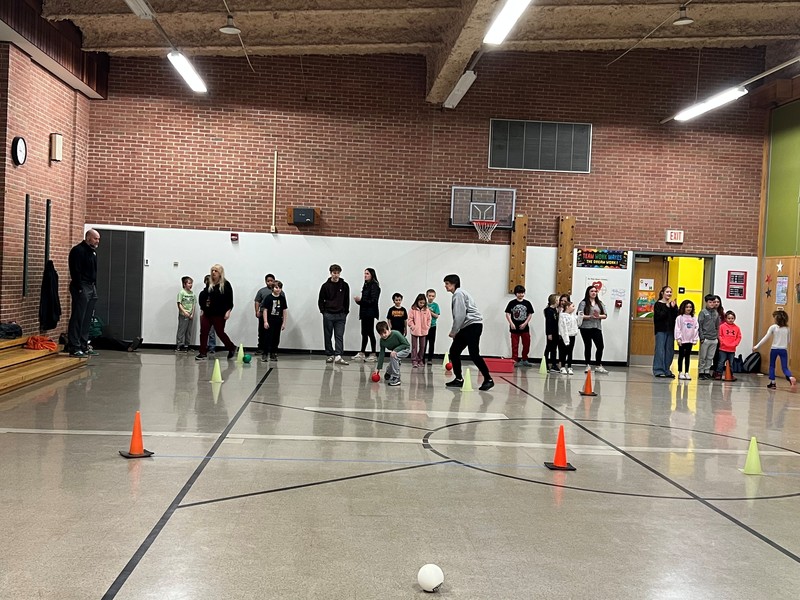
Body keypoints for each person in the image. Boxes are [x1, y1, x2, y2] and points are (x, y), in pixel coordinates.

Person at [443, 274, 493, 391]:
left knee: (474, 353)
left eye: (447, 284)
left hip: (473, 326)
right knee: (454, 351)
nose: (445, 286)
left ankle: (488, 379)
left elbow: (460, 315)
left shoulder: (458, 294)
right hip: (467, 326)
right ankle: (459, 379)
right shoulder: (460, 293)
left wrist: (454, 331)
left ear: (454, 284)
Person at [67, 229, 100, 357]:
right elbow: (75, 270)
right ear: (88, 238)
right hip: (81, 286)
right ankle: (74, 347)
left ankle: (83, 345)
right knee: (78, 317)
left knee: (87, 318)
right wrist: (79, 287)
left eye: (98, 239)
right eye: (95, 238)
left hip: (91, 287)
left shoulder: (93, 252)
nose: (97, 241)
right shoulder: (78, 250)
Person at [195, 264, 236, 360]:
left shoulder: (226, 284)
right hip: (207, 312)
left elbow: (229, 300)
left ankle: (231, 347)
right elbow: (204, 296)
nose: (213, 272)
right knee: (204, 332)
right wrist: (202, 308)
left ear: (220, 273)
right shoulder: (210, 283)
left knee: (220, 332)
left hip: (219, 313)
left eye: (216, 271)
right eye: (212, 270)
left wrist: (228, 311)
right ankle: (202, 353)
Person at [753, 310, 797, 390]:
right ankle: (790, 377)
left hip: (774, 349)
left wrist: (757, 346)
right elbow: (789, 341)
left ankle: (772, 383)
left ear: (776, 319)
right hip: (783, 350)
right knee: (785, 367)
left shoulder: (773, 327)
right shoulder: (787, 329)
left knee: (772, 366)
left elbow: (766, 338)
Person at [318, 264, 350, 365]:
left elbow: (346, 299)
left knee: (339, 335)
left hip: (341, 314)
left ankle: (338, 355)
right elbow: (320, 300)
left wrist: (345, 312)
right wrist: (323, 311)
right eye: (334, 273)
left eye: (337, 273)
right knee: (328, 335)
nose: (336, 275)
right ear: (331, 273)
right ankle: (329, 354)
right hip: (329, 314)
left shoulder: (344, 285)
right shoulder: (325, 286)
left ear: (340, 273)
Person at [577, 285, 608, 373]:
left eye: (595, 291)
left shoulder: (600, 303)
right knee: (588, 346)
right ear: (588, 292)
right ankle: (587, 365)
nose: (594, 293)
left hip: (596, 327)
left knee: (600, 346)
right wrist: (589, 316)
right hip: (585, 327)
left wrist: (598, 316)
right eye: (592, 291)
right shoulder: (583, 303)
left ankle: (598, 365)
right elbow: (580, 315)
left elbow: (605, 315)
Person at [353, 268, 381, 362]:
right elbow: (365, 301)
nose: (365, 275)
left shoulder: (374, 286)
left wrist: (361, 301)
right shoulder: (366, 285)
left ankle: (373, 353)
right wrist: (359, 302)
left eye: (367, 274)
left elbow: (373, 301)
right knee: (364, 333)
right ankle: (362, 352)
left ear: (372, 275)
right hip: (364, 312)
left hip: (370, 312)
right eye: (364, 273)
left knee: (370, 332)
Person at [652, 285, 679, 378]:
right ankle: (658, 370)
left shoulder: (673, 304)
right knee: (660, 350)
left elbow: (676, 317)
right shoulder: (658, 304)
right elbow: (658, 317)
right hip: (661, 330)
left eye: (670, 292)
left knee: (669, 351)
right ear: (662, 293)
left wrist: (673, 308)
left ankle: (667, 369)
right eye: (667, 292)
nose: (669, 294)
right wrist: (667, 308)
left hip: (670, 330)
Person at [374, 321, 411, 386]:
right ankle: (389, 372)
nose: (383, 335)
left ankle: (396, 377)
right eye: (381, 334)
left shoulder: (396, 333)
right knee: (393, 357)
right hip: (395, 351)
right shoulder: (382, 341)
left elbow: (406, 344)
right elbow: (382, 354)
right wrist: (378, 368)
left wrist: (396, 350)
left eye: (385, 332)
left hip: (405, 349)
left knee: (393, 356)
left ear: (388, 329)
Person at [504, 285, 534, 367]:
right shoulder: (512, 303)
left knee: (526, 344)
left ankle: (525, 359)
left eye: (522, 293)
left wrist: (525, 323)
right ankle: (514, 359)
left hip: (524, 328)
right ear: (516, 294)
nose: (521, 295)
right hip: (514, 328)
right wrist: (511, 323)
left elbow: (530, 314)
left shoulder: (527, 303)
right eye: (519, 293)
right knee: (514, 345)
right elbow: (507, 313)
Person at [261, 280, 288, 361]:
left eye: (280, 288)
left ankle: (273, 353)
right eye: (276, 287)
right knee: (267, 337)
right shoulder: (268, 298)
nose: (278, 289)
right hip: (270, 320)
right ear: (272, 288)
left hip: (278, 321)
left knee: (276, 338)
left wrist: (284, 323)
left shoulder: (282, 298)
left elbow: (284, 310)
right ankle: (265, 353)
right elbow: (265, 310)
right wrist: (265, 321)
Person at [674, 299, 699, 380]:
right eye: (687, 307)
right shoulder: (679, 318)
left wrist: (695, 339)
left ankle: (687, 372)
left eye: (690, 307)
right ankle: (680, 372)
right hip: (682, 340)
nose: (689, 309)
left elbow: (696, 328)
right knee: (681, 356)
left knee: (688, 356)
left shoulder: (694, 318)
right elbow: (677, 328)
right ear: (683, 308)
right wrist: (678, 339)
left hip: (690, 340)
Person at [697, 294, 720, 380]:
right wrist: (702, 337)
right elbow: (699, 325)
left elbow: (718, 326)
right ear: (706, 302)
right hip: (705, 338)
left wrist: (717, 337)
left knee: (710, 357)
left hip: (714, 339)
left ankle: (707, 371)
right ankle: (701, 372)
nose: (712, 304)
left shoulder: (716, 313)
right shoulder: (703, 312)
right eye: (710, 302)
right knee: (703, 356)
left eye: (713, 302)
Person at [254, 274, 276, 359]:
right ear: (266, 281)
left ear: (274, 281)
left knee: (273, 333)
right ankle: (261, 348)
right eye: (268, 281)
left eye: (271, 280)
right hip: (263, 313)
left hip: (274, 314)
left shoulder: (278, 291)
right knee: (262, 332)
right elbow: (257, 301)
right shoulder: (262, 291)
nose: (270, 282)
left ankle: (272, 350)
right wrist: (257, 311)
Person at [715, 310, 741, 380]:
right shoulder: (722, 326)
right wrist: (723, 343)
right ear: (726, 318)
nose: (730, 320)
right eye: (729, 318)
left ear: (734, 318)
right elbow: (720, 335)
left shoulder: (737, 328)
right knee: (721, 362)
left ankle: (730, 375)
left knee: (731, 363)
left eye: (732, 318)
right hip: (723, 349)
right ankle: (718, 374)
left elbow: (739, 337)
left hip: (732, 349)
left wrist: (735, 344)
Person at [408, 293, 432, 368]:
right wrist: (413, 327)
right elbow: (410, 320)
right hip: (414, 331)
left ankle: (420, 359)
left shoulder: (427, 310)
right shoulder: (412, 309)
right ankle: (414, 360)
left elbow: (429, 319)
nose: (422, 304)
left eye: (423, 303)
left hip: (424, 331)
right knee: (414, 347)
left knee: (422, 346)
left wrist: (427, 327)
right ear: (417, 301)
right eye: (420, 302)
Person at [558, 300, 579, 375]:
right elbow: (563, 328)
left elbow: (578, 323)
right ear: (567, 307)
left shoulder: (573, 315)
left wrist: (581, 316)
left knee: (570, 352)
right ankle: (563, 367)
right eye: (572, 306)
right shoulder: (562, 315)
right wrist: (566, 339)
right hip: (564, 337)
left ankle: (569, 367)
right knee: (563, 352)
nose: (574, 308)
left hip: (572, 336)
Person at [176, 276, 195, 352]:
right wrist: (184, 312)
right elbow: (179, 304)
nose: (191, 285)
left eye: (191, 283)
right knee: (182, 330)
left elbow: (193, 304)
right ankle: (179, 345)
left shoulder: (192, 293)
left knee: (189, 331)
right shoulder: (181, 293)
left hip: (190, 315)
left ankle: (187, 345)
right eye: (189, 283)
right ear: (184, 284)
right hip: (183, 315)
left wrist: (192, 314)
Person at [544, 293, 560, 372]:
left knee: (554, 349)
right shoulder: (549, 311)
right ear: (555, 301)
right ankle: (545, 363)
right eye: (558, 300)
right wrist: (549, 333)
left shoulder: (555, 310)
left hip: (556, 332)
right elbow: (548, 323)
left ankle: (553, 364)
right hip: (551, 333)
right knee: (549, 348)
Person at [425, 289, 440, 365]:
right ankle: (422, 358)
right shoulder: (424, 304)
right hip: (424, 327)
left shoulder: (435, 305)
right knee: (423, 343)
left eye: (433, 296)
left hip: (432, 326)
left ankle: (430, 359)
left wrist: (430, 312)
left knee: (431, 343)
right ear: (426, 296)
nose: (431, 297)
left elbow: (437, 316)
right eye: (429, 296)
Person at [203, 274, 217, 353]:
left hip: (213, 314)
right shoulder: (204, 292)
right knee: (205, 331)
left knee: (211, 332)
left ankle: (212, 347)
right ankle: (204, 346)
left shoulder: (215, 291)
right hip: (206, 313)